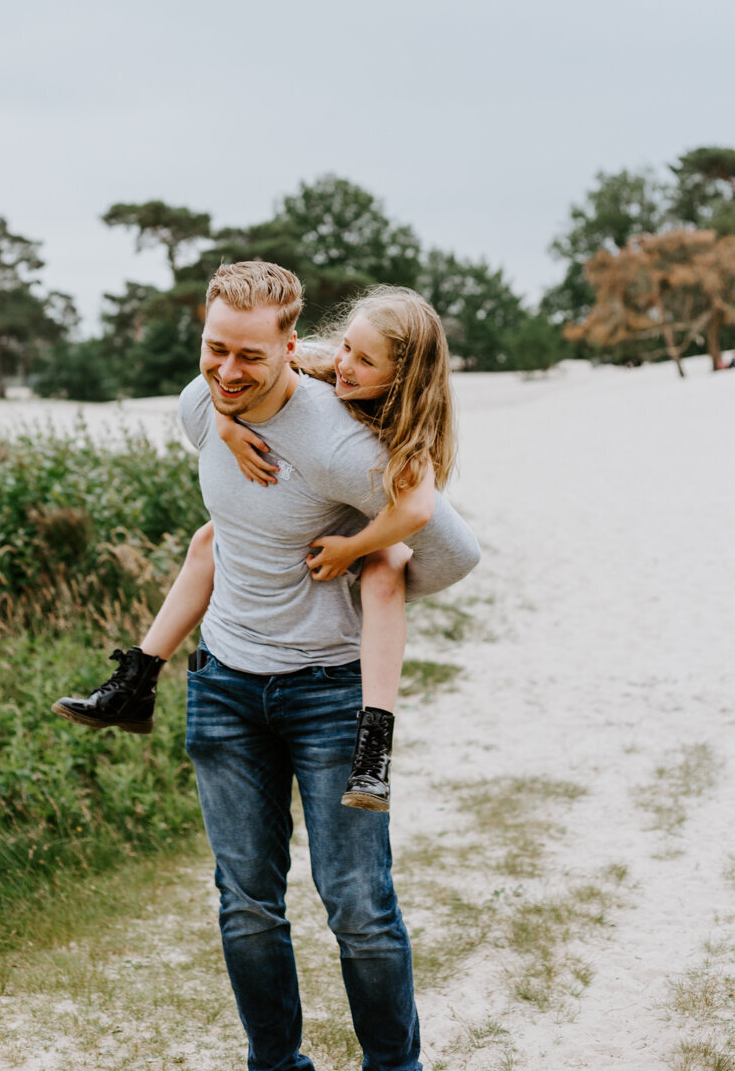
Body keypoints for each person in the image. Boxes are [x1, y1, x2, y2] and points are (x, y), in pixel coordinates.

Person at [54, 262, 479, 1071]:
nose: (226, 371)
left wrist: (367, 565)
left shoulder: (341, 446)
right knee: (245, 906)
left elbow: (452, 549)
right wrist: (225, 415)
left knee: (357, 906)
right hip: (222, 686)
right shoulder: (199, 403)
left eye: (250, 357)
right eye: (215, 349)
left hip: (326, 695)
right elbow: (214, 423)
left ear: (291, 346)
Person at [54, 283, 458, 815]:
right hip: (270, 602)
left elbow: (418, 513)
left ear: (401, 378)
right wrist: (225, 421)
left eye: (365, 361)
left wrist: (352, 553)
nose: (346, 364)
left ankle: (374, 745)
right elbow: (247, 374)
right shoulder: (322, 364)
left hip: (369, 535)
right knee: (212, 537)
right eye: (347, 349)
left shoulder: (405, 428)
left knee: (383, 571)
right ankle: (139, 678)